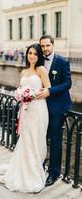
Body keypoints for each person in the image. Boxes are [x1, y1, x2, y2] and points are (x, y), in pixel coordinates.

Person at [0, 44, 51, 193]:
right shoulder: (23, 71)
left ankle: (34, 172)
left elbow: (48, 90)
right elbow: (20, 88)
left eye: (35, 54)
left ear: (39, 56)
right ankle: (23, 169)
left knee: (36, 140)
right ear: (27, 55)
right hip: (26, 110)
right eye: (30, 53)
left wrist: (31, 95)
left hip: (38, 109)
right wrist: (21, 95)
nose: (32, 56)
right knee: (25, 139)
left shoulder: (41, 70)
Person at [38, 35, 72, 186]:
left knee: (56, 141)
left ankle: (54, 173)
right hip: (41, 107)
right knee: (41, 138)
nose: (45, 48)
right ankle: (39, 167)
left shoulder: (62, 61)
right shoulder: (39, 61)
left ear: (53, 45)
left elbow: (67, 83)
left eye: (47, 45)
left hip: (57, 106)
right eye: (43, 46)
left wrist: (49, 91)